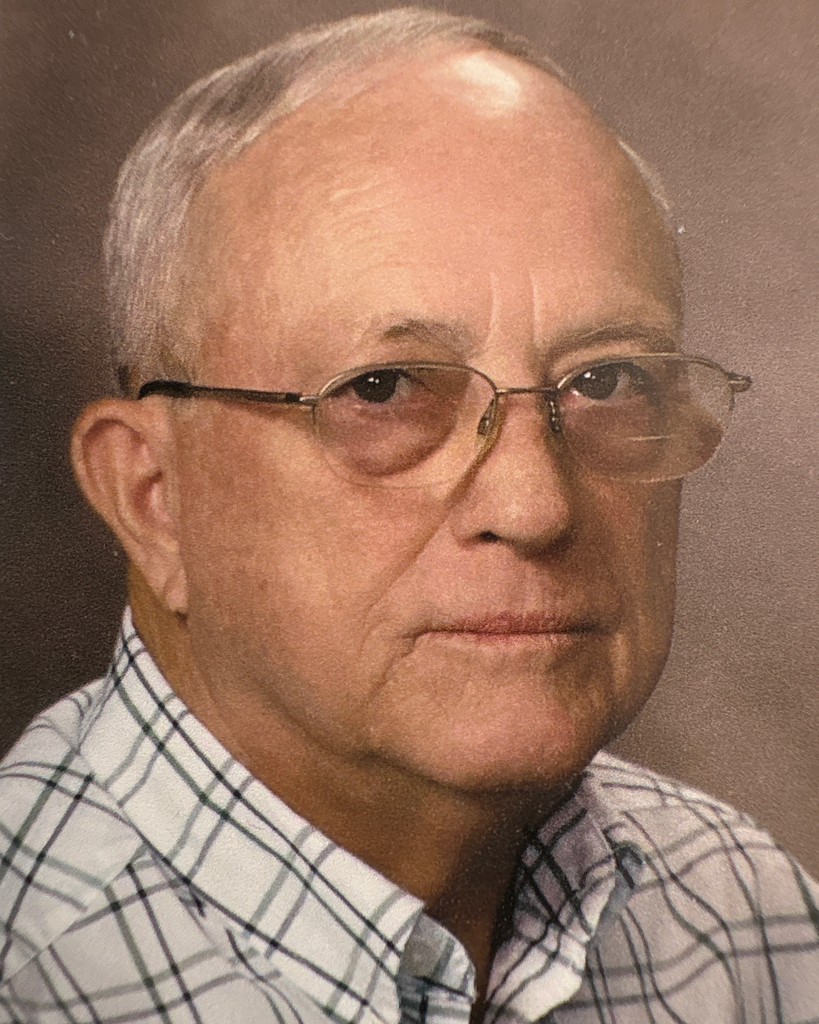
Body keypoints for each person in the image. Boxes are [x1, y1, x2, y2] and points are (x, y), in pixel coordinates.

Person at [1, 7, 816, 1020]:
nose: (534, 504)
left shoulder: (746, 918)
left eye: (606, 379)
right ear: (153, 498)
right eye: (383, 390)